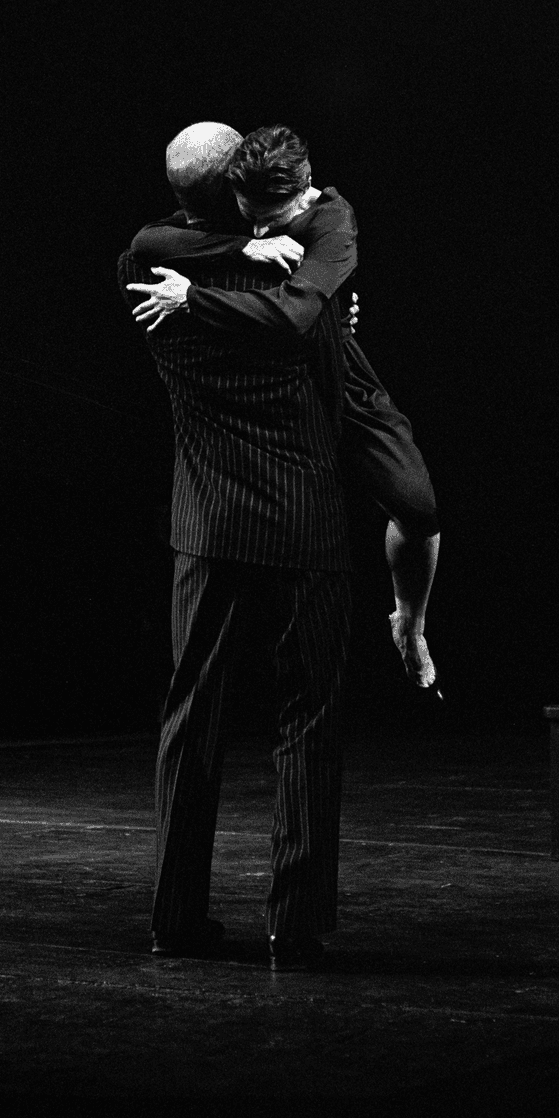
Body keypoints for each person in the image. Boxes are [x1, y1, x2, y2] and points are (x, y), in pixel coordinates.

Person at [119, 121, 353, 969]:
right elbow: (332, 376)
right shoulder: (290, 280)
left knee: (191, 718)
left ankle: (174, 918)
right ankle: (295, 925)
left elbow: (148, 239)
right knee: (307, 719)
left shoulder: (146, 274)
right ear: (238, 195)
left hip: (208, 524)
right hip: (301, 519)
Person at [127, 124, 441, 696]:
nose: (260, 229)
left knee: (417, 507)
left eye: (270, 220)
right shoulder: (241, 200)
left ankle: (410, 624)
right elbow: (146, 242)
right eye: (249, 217)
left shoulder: (331, 220)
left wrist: (192, 297)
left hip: (337, 369)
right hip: (282, 395)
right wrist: (241, 248)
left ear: (302, 189)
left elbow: (296, 314)